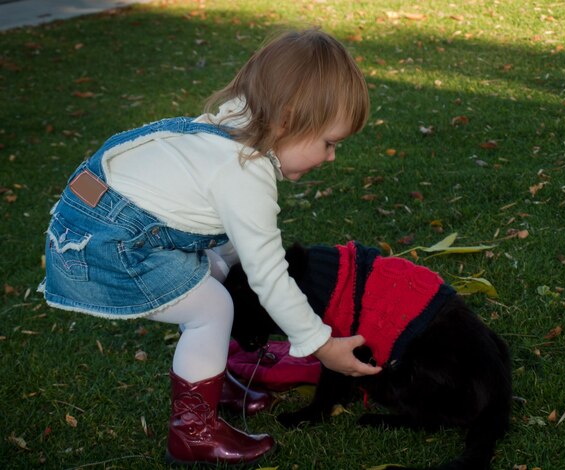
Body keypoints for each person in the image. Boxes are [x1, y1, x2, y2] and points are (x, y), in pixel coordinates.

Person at [38, 28, 381, 466]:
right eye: (329, 143)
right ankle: (192, 433)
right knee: (212, 308)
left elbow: (234, 249)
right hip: (103, 247)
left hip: (90, 220)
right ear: (289, 118)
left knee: (215, 270)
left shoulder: (234, 122)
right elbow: (269, 276)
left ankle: (208, 380)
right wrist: (322, 345)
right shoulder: (245, 171)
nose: (332, 157)